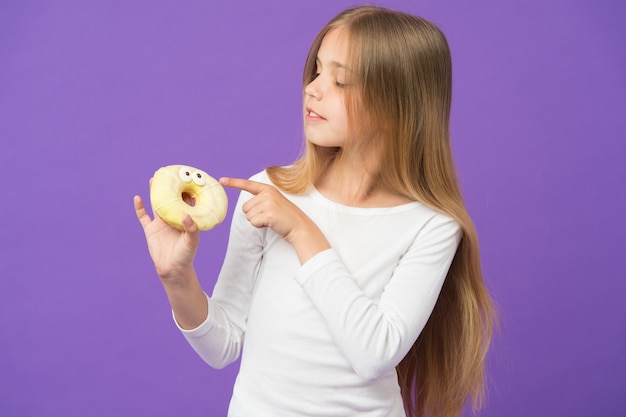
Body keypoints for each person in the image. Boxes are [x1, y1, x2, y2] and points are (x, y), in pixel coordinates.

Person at [134, 5, 496, 417]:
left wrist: (302, 231)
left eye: (340, 80)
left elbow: (374, 353)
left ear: (398, 104)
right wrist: (177, 279)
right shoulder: (268, 191)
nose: (313, 88)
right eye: (316, 70)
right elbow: (224, 345)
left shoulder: (431, 226)